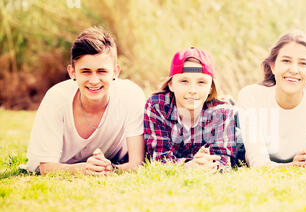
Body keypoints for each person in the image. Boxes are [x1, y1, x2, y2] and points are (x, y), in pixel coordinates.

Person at [25, 27, 146, 175]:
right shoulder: (56, 98)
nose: (94, 80)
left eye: (102, 71)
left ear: (115, 71)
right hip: (59, 165)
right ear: (72, 72)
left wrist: (111, 169)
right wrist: (83, 169)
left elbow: (137, 163)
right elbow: (46, 168)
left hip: (111, 161)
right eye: (86, 71)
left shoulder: (131, 95)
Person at [236, 30, 306, 168]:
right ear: (272, 66)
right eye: (286, 61)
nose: (294, 70)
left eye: (303, 63)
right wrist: (292, 166)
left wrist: (300, 164)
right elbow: (258, 163)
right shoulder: (250, 96)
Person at [144, 47, 238, 171]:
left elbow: (223, 162)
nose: (192, 90)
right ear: (171, 84)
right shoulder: (157, 106)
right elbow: (158, 160)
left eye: (201, 82)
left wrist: (206, 165)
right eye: (184, 81)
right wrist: (188, 166)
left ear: (210, 87)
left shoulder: (223, 111)